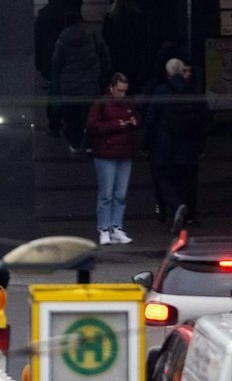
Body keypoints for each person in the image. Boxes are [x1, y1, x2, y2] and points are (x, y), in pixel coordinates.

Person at [143, 57, 207, 225]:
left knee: (162, 179)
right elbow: (203, 120)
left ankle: (174, 206)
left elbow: (151, 119)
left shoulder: (160, 91)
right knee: (186, 181)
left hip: (165, 145)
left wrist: (145, 144)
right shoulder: (192, 91)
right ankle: (187, 214)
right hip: (188, 146)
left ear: (167, 73)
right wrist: (201, 147)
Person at [86, 72, 140, 244]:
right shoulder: (101, 104)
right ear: (111, 88)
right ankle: (105, 228)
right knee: (108, 194)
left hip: (121, 153)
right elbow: (92, 127)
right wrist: (118, 124)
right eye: (119, 90)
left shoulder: (125, 104)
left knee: (119, 194)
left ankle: (115, 227)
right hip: (107, 154)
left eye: (124, 91)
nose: (122, 94)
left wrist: (133, 122)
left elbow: (138, 119)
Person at [49, 17, 110, 151]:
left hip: (69, 86)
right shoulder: (92, 36)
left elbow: (56, 64)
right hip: (90, 83)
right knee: (90, 116)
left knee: (72, 117)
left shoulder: (62, 40)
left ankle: (75, 142)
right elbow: (105, 55)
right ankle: (89, 143)